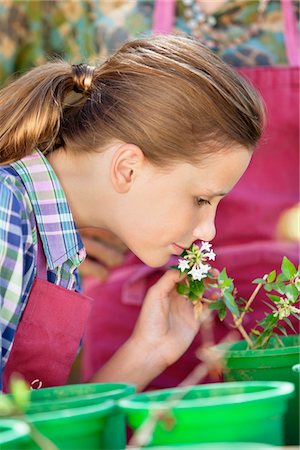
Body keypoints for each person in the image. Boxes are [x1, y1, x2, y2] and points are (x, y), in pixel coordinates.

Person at [0, 34, 264, 393]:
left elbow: (42, 433)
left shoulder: (61, 255)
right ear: (127, 169)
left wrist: (147, 352)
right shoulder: (7, 213)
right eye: (202, 200)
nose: (208, 232)